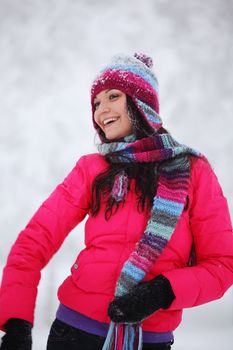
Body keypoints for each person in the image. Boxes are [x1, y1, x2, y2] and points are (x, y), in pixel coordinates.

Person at [0, 52, 233, 350]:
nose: (101, 110)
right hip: (73, 334)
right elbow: (33, 243)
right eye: (96, 103)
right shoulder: (92, 169)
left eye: (113, 96)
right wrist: (17, 322)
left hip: (148, 341)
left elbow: (222, 265)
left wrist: (162, 291)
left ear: (141, 104)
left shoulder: (194, 172)